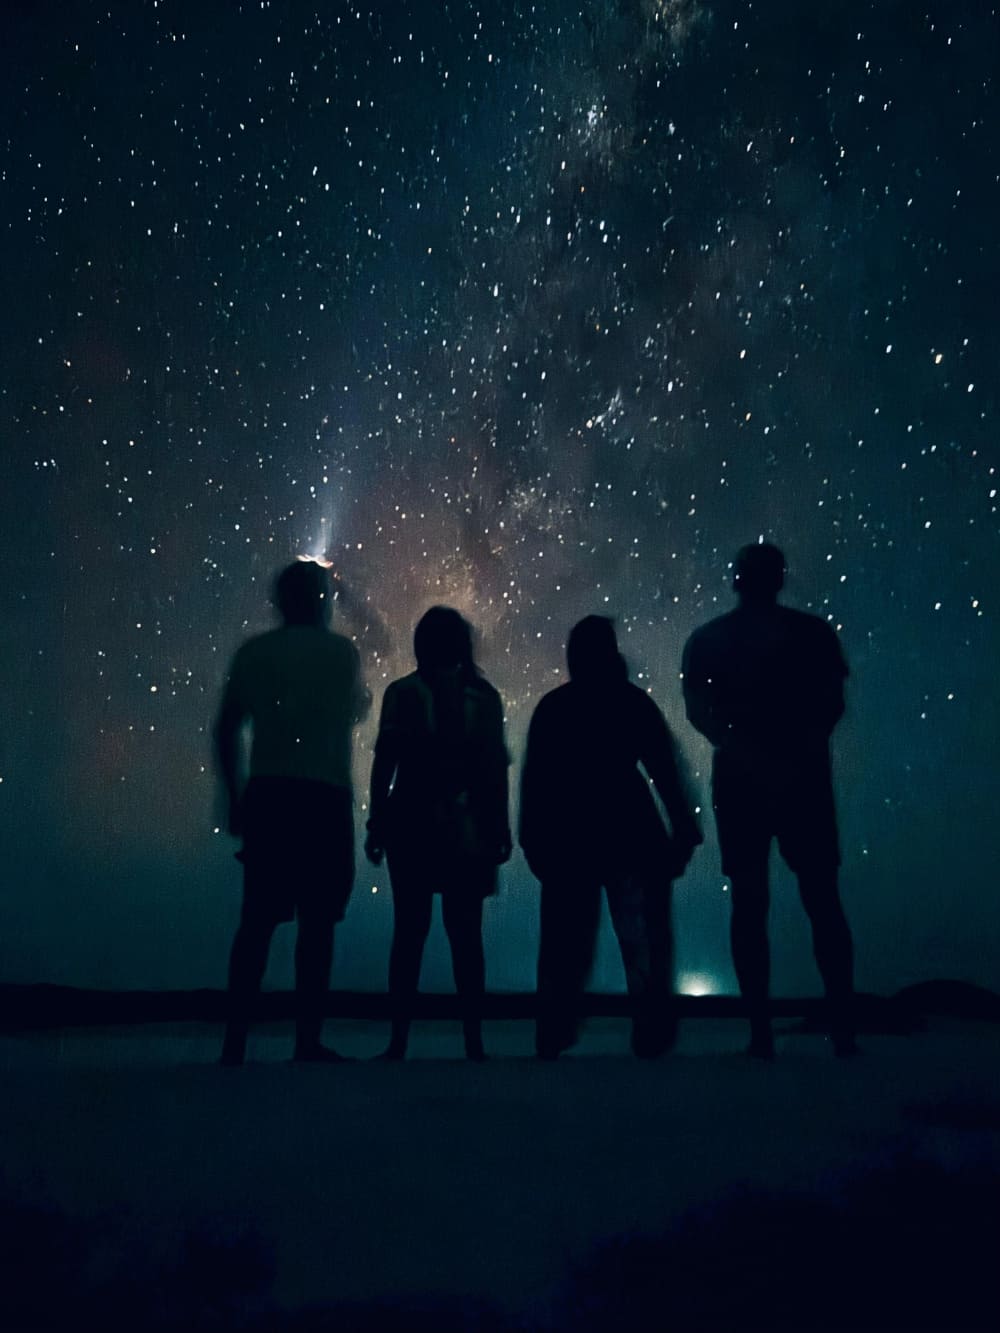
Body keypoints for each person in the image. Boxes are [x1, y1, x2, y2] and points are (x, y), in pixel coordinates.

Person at [682, 543, 857, 1058]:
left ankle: (760, 1032)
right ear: (779, 578)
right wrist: (798, 742)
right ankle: (842, 1029)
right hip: (803, 779)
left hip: (741, 781)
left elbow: (698, 710)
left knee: (750, 902)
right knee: (821, 899)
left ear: (736, 579)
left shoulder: (709, 639)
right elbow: (831, 703)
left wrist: (735, 740)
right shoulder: (813, 634)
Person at [519, 616, 702, 1060]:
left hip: (569, 834)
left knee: (565, 942)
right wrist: (682, 827)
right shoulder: (632, 702)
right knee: (643, 940)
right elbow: (663, 769)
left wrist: (531, 838)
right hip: (630, 828)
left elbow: (537, 782)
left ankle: (556, 1030)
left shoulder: (555, 707)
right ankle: (651, 1030)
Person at [214, 559, 370, 1065]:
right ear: (322, 600)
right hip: (324, 796)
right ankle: (307, 1040)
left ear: (279, 600)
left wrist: (234, 794)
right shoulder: (341, 653)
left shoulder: (254, 652)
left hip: (270, 795)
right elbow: (354, 709)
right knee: (318, 924)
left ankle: (235, 1041)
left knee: (257, 921)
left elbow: (227, 727)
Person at [364, 607, 511, 1061]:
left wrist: (377, 822)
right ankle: (472, 1041)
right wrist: (500, 826)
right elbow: (494, 770)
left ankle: (399, 1040)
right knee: (464, 934)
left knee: (411, 931)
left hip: (411, 824)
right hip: (465, 825)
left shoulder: (403, 693)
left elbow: (385, 763)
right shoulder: (483, 697)